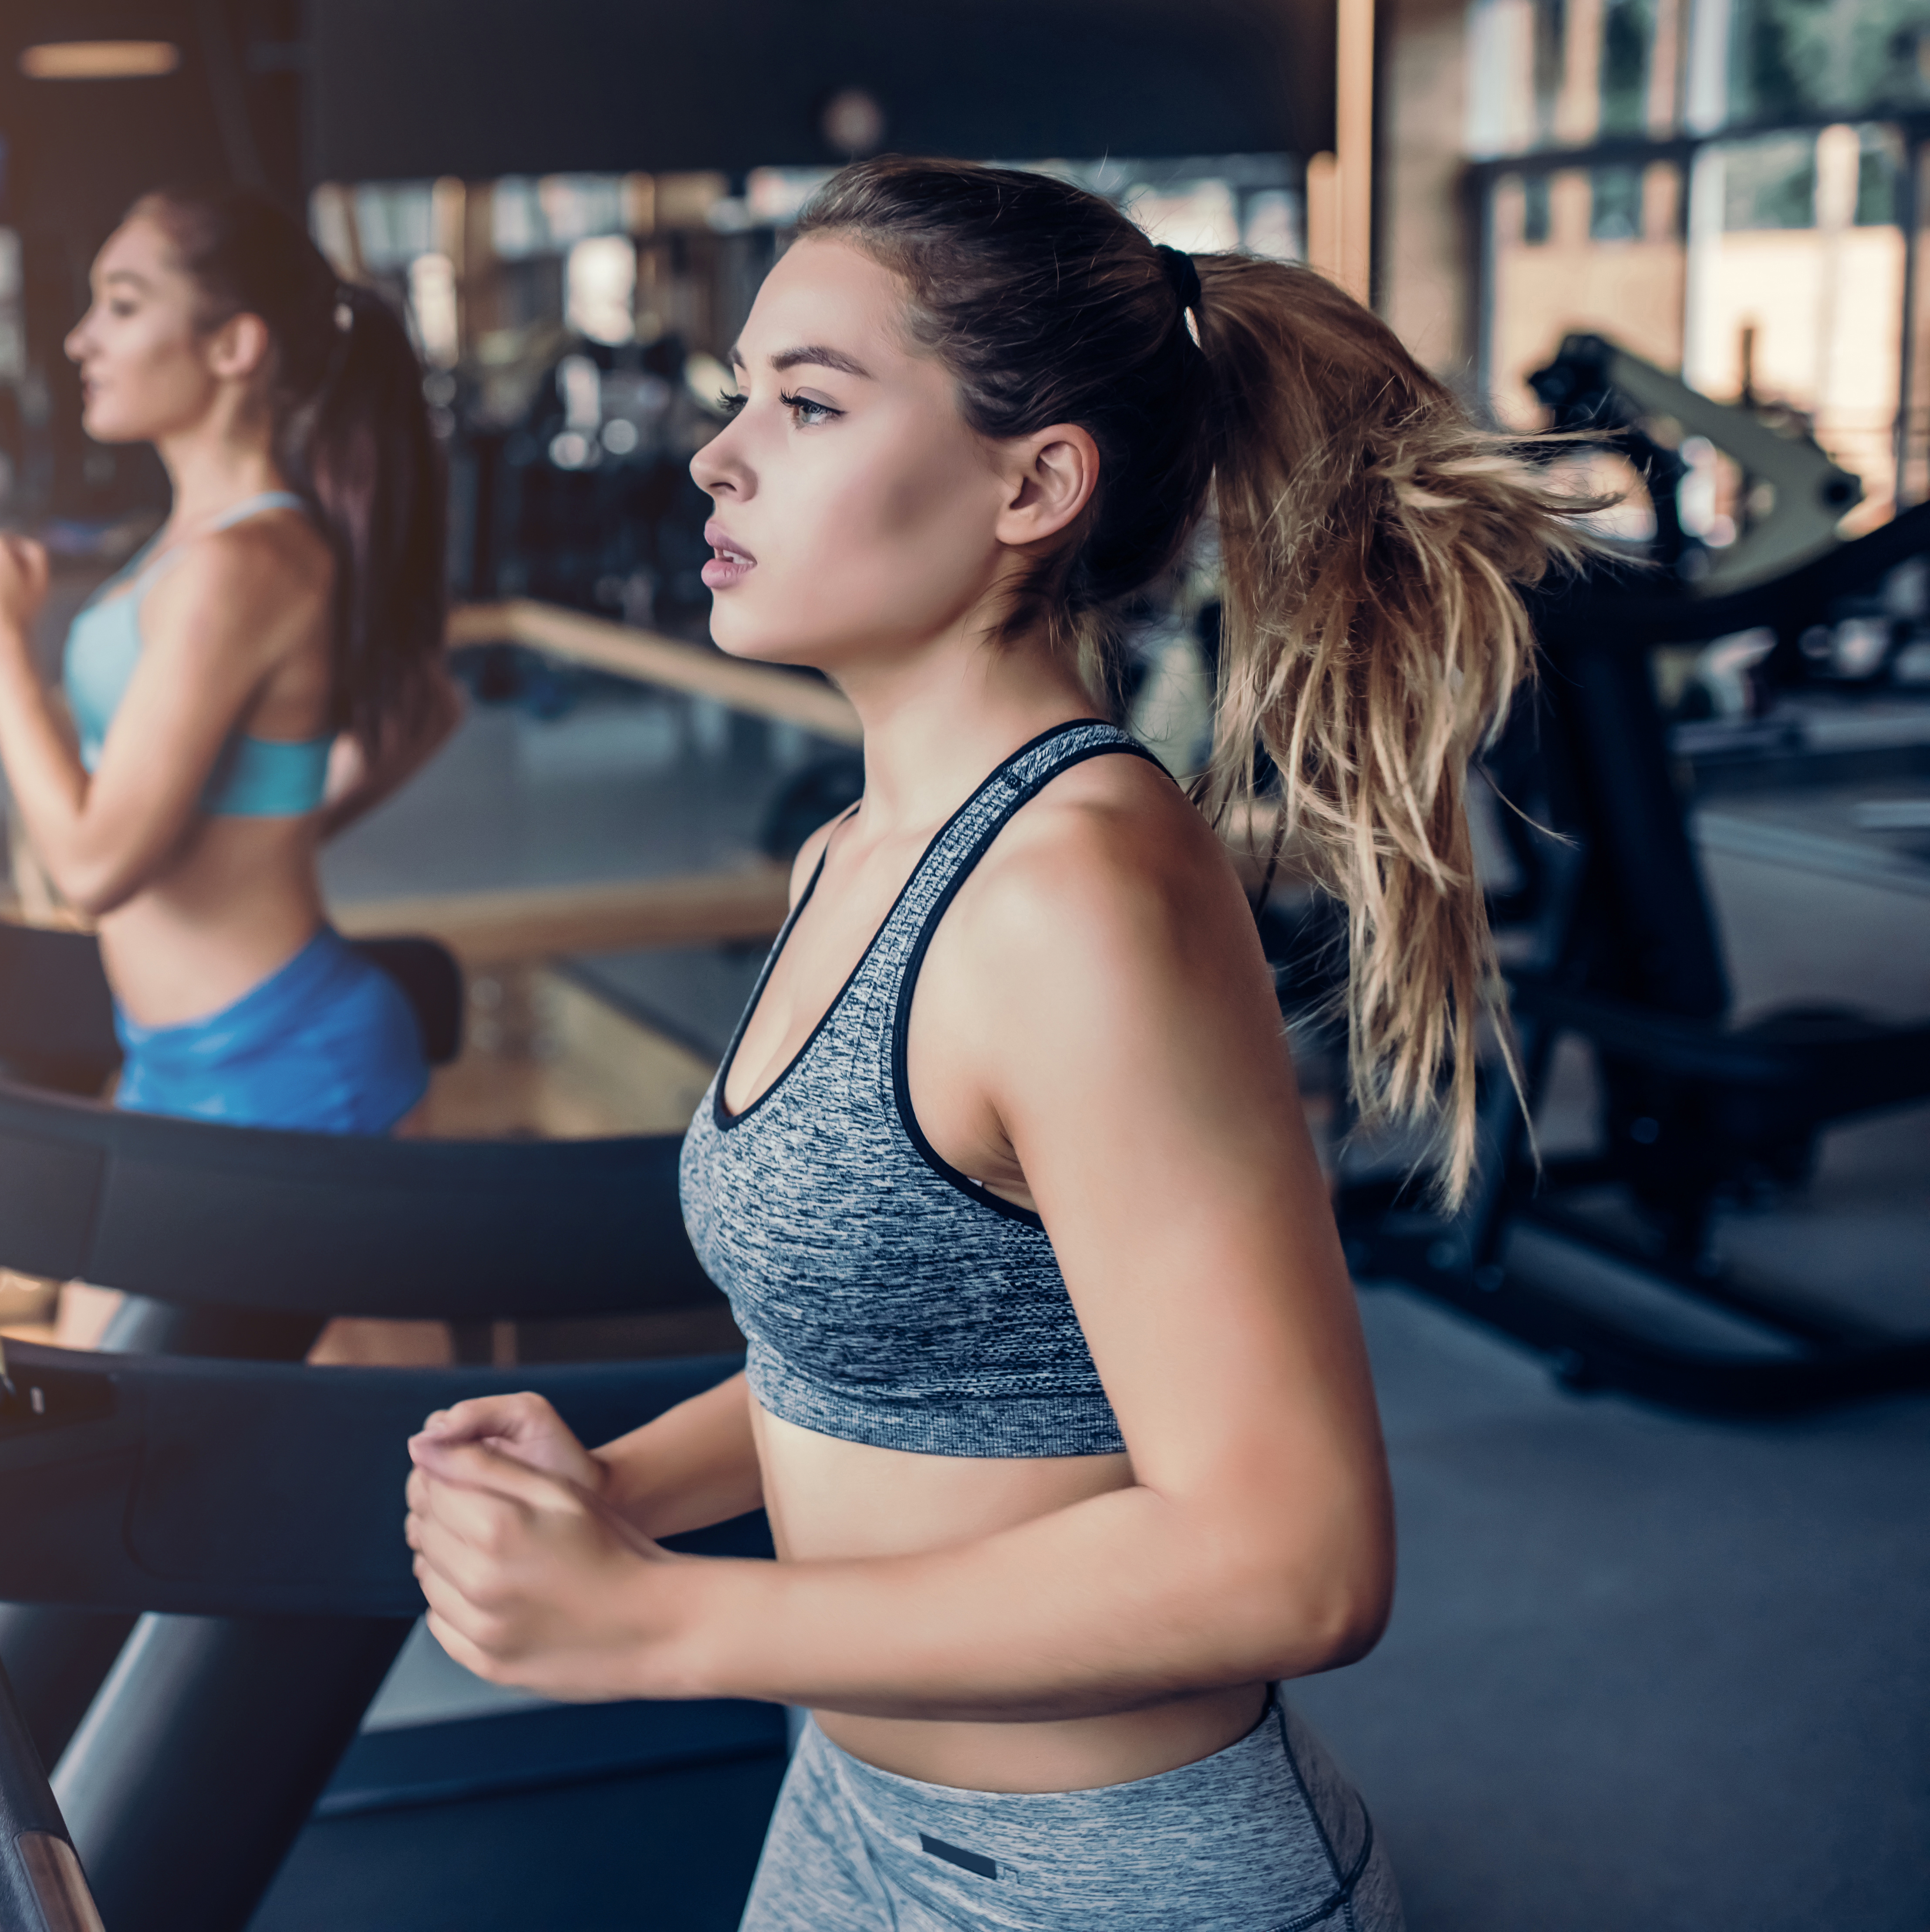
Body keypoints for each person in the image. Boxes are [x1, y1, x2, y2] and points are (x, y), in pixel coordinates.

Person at [402, 158, 1595, 1930]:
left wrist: (669, 1621)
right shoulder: (850, 857)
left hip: (1116, 1875)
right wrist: (625, 1483)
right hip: (853, 1809)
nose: (720, 454)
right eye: (744, 395)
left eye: (806, 402)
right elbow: (903, 1357)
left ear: (1033, 482)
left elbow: (1301, 1555)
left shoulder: (1074, 892)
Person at [0, 185, 460, 1337]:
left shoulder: (250, 560)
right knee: (116, 1448)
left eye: (122, 305)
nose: (82, 339)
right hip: (168, 1060)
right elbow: (425, 716)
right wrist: (259, 836)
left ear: (233, 345)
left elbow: (94, 867)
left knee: (359, 1491)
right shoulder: (186, 550)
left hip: (298, 1074)